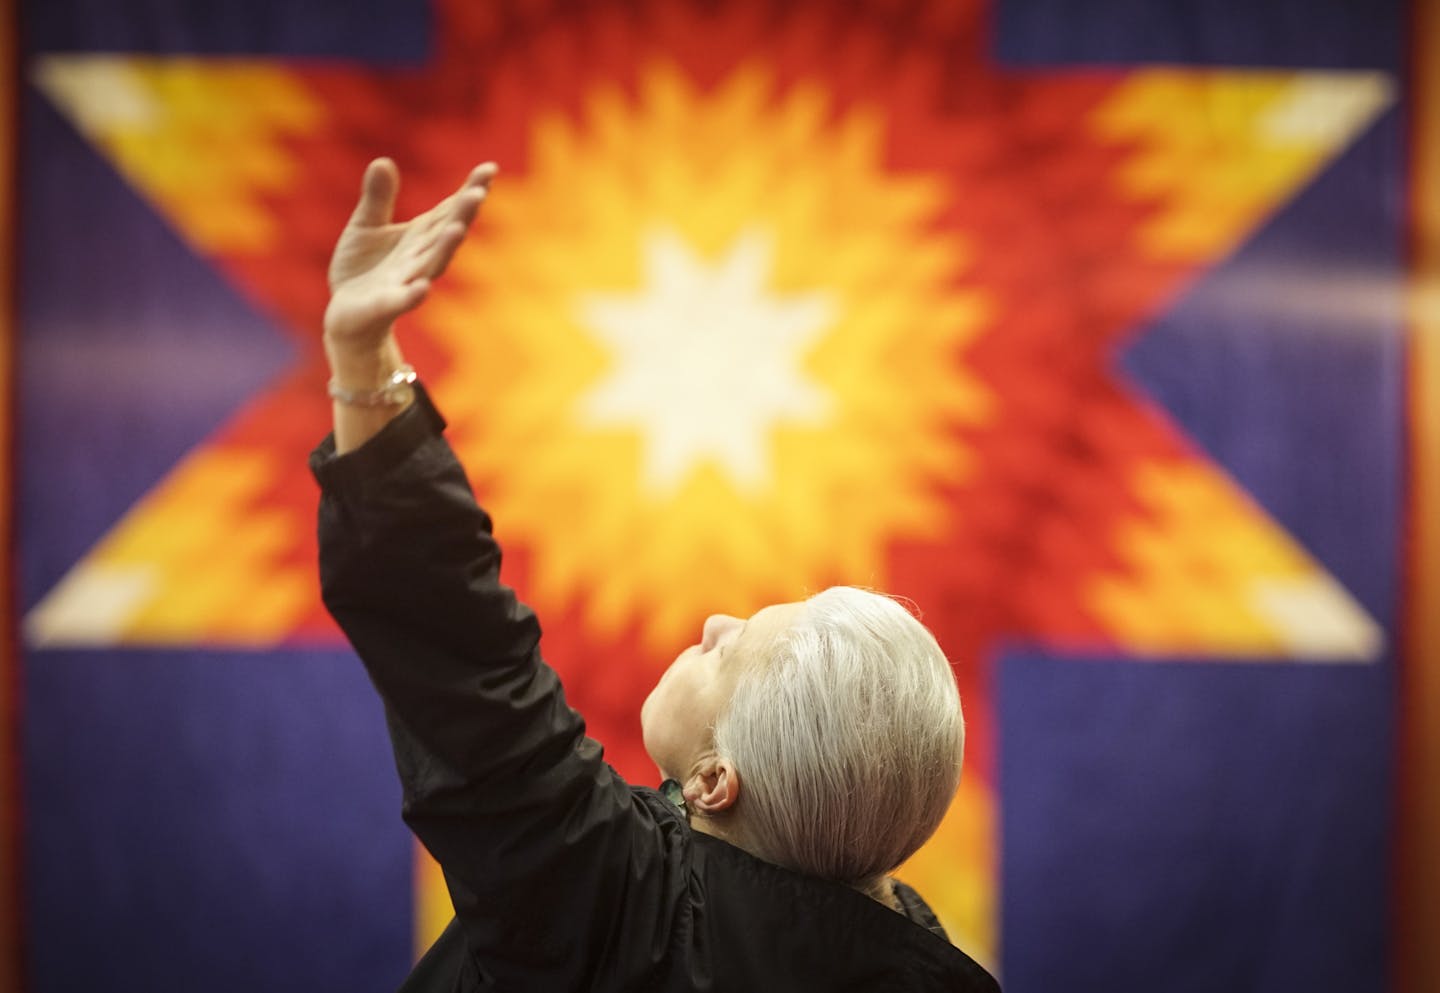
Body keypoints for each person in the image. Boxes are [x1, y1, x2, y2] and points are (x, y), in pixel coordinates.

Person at [311, 157, 1001, 992]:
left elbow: (467, 661)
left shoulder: (608, 903)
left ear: (714, 780)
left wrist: (362, 357)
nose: (714, 623)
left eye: (734, 650)